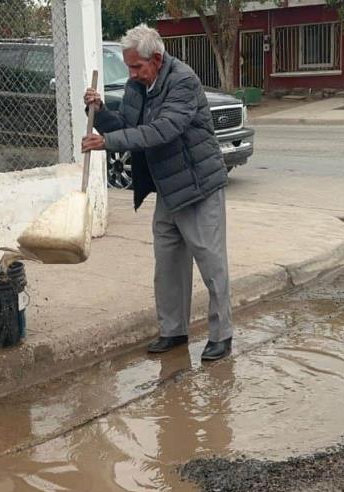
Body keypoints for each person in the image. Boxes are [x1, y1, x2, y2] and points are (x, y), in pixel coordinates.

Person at [82, 24, 232, 361]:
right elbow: (129, 127)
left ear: (158, 59)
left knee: (211, 262)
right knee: (167, 266)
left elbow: (162, 130)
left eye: (137, 66)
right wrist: (101, 113)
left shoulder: (183, 81)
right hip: (168, 187)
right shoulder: (139, 85)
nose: (132, 74)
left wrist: (107, 143)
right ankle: (173, 331)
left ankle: (221, 335)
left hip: (199, 185)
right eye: (128, 67)